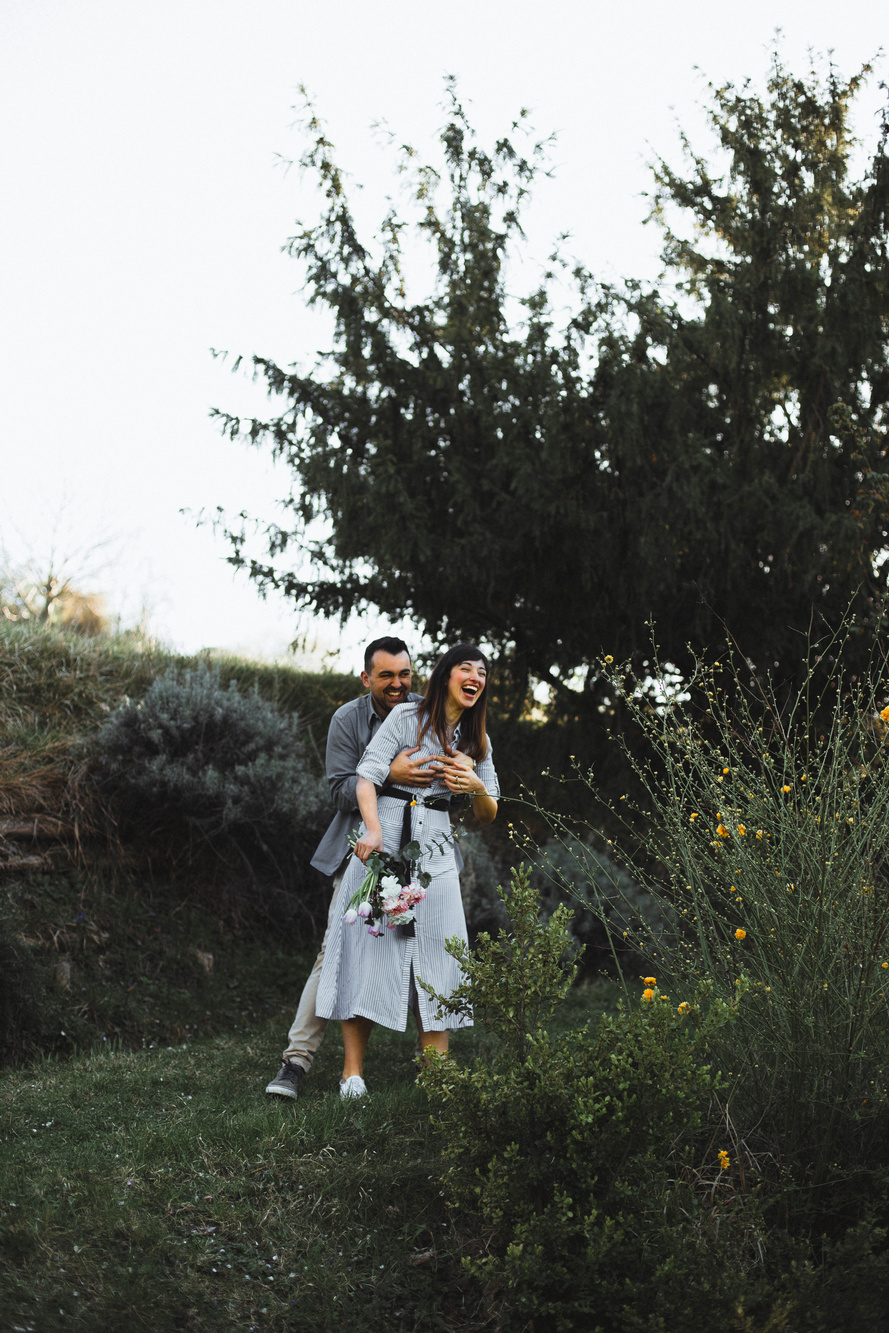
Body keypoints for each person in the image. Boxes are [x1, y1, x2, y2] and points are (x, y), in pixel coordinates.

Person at [315, 643, 499, 1098]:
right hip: (387, 839)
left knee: (441, 955)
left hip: (435, 853)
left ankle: (434, 1077)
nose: (475, 676)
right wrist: (373, 831)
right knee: (365, 951)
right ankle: (351, 1073)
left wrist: (476, 785)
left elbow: (489, 811)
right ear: (445, 676)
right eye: (465, 668)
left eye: (483, 671)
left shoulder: (478, 740)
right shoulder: (405, 719)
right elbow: (366, 776)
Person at [265, 636, 435, 1099]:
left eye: (404, 674)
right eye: (386, 676)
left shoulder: (427, 712)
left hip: (419, 852)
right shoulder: (347, 719)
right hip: (360, 849)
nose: (398, 683)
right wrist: (387, 774)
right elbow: (340, 791)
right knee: (334, 953)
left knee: (429, 951)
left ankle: (436, 1069)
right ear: (367, 678)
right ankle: (295, 1063)